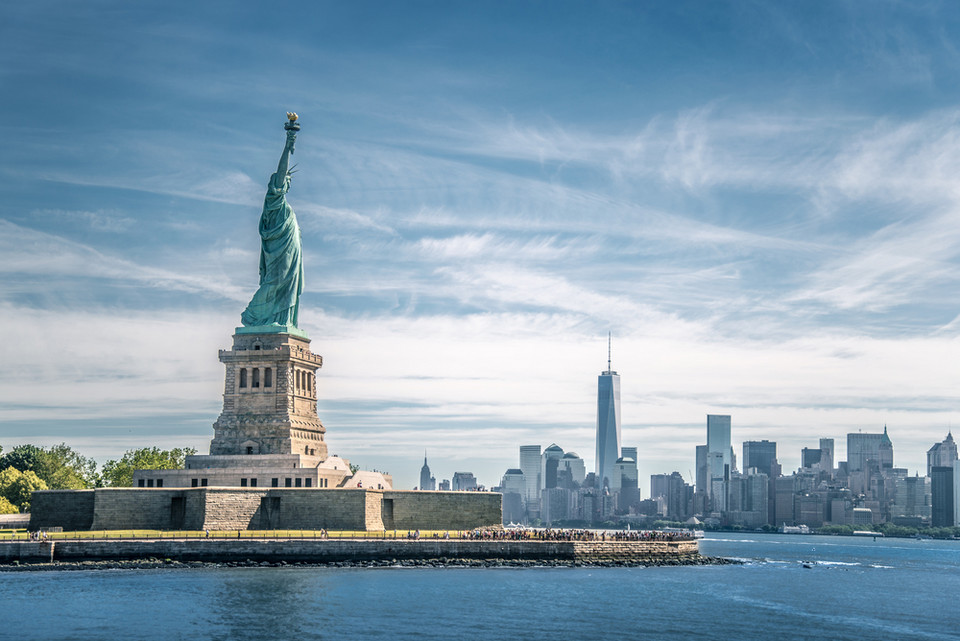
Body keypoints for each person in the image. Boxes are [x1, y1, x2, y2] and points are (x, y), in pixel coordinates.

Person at [240, 124, 304, 328]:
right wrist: (288, 145)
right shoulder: (273, 201)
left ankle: (281, 320)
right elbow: (281, 171)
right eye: (284, 180)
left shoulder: (285, 208)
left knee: (287, 285)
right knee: (275, 282)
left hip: (291, 252)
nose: (286, 183)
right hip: (279, 253)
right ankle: (253, 316)